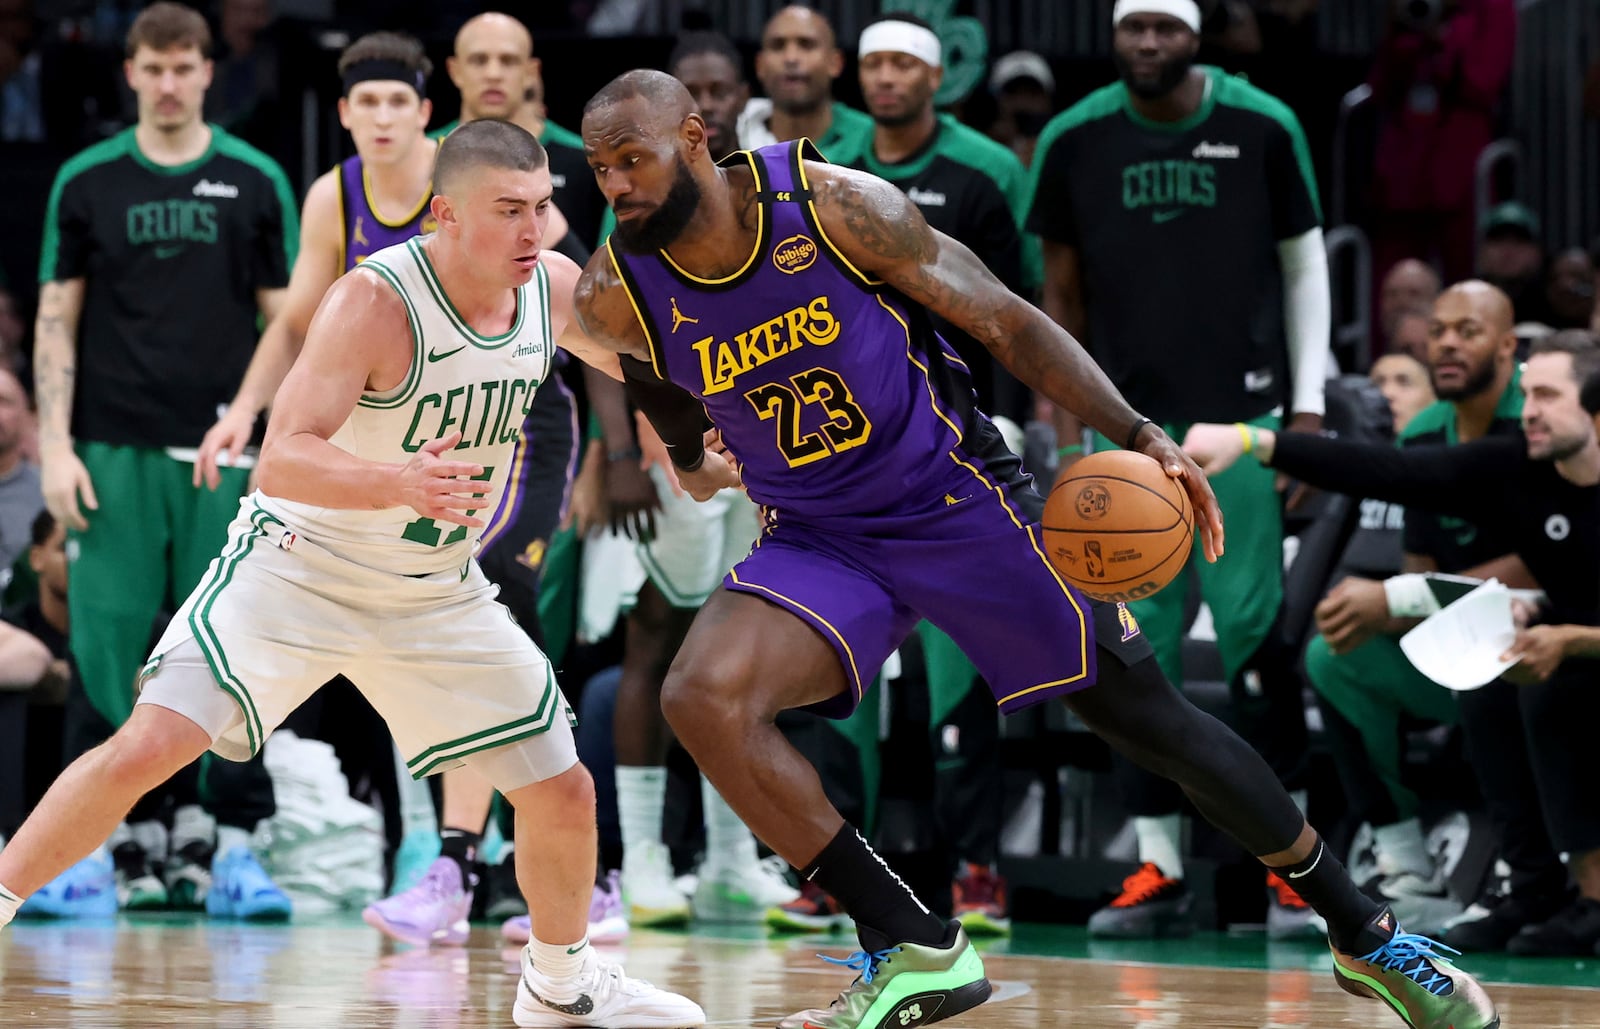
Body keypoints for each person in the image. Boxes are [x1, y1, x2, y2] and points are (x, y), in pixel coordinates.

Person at [574, 68, 1498, 1029]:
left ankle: (1369, 935)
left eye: (631, 160)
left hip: (958, 501)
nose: (616, 187)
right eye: (599, 171)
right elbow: (659, 378)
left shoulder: (832, 204)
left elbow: (1005, 319)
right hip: (820, 532)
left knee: (1152, 722)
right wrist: (693, 456)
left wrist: (1138, 432)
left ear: (691, 139)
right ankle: (915, 944)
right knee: (702, 695)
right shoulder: (616, 286)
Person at [0, 118, 705, 1029]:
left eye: (543, 207)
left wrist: (717, 431)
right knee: (149, 744)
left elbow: (651, 363)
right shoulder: (375, 301)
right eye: (509, 210)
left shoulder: (553, 289)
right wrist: (394, 480)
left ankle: (560, 986)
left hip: (431, 588)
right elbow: (281, 456)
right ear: (446, 214)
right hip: (298, 570)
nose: (535, 231)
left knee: (560, 785)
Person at [1027, 0, 1331, 938]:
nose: (1147, 42)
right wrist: (1063, 418)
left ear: (1196, 35)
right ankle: (1155, 864)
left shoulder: (1263, 123)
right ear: (1112, 35)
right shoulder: (1075, 138)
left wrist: (1309, 408)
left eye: (1165, 26)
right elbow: (1058, 292)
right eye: (1132, 27)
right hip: (1122, 435)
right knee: (1119, 652)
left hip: (1240, 425)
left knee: (1257, 643)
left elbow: (1304, 266)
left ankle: (1292, 870)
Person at [1185, 329, 1600, 956]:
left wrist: (1570, 636)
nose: (1530, 409)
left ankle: (1594, 899)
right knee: (1494, 680)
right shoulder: (1521, 464)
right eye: (1528, 393)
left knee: (1554, 689)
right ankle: (1535, 892)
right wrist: (1253, 441)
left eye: (1547, 395)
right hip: (1571, 648)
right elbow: (1392, 471)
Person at [32, 1, 294, 918]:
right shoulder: (86, 179)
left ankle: (230, 843)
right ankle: (112, 843)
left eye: (186, 66)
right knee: (106, 642)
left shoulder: (257, 178)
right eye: (155, 67)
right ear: (132, 73)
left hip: (222, 451)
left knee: (235, 645)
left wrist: (278, 438)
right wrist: (54, 446)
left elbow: (285, 321)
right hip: (108, 447)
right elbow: (56, 314)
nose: (170, 82)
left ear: (207, 70)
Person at [737, 4, 872, 163]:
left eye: (806, 45)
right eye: (778, 46)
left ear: (835, 63)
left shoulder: (871, 139)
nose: (791, 58)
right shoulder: (736, 133)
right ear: (759, 66)